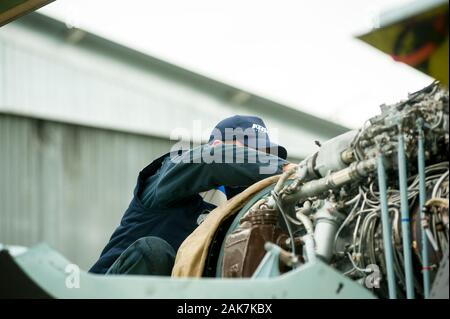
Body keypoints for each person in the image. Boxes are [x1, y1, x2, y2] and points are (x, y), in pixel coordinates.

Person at [89, 115, 296, 275]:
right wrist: (287, 170)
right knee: (154, 251)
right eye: (252, 152)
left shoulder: (246, 209)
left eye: (265, 155)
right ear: (216, 145)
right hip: (108, 289)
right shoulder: (171, 174)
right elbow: (213, 160)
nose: (261, 161)